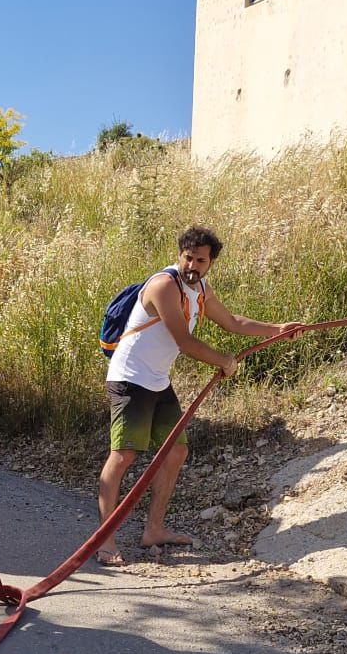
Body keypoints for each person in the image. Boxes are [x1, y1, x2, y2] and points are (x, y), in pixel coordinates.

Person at [97, 227, 300, 566]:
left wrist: (279, 329)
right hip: (130, 379)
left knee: (176, 451)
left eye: (200, 260)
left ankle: (154, 530)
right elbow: (183, 341)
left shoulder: (201, 289)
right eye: (188, 257)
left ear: (210, 263)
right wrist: (224, 360)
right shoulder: (164, 286)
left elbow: (233, 322)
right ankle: (104, 542)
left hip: (157, 381)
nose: (192, 264)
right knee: (123, 456)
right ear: (180, 255)